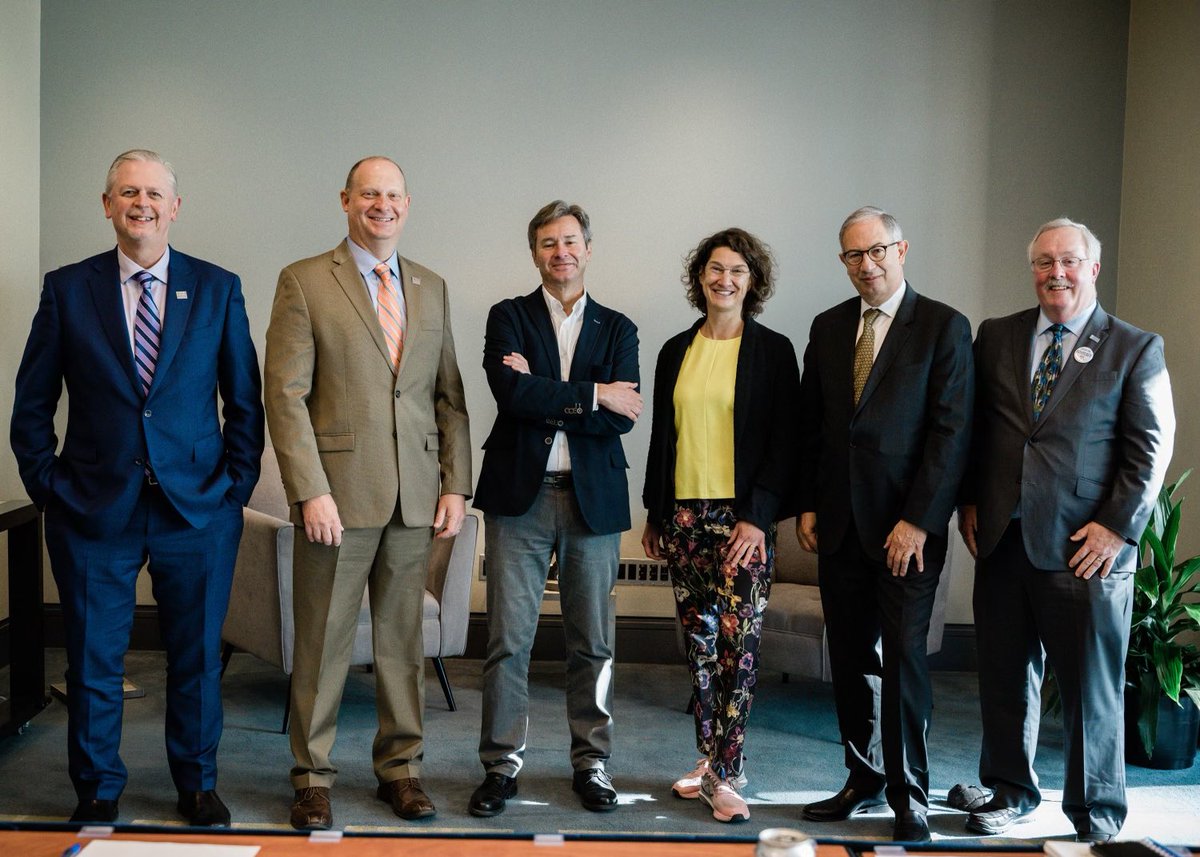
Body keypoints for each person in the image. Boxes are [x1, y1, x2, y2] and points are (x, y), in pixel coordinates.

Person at [10, 149, 264, 826]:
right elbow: (31, 404)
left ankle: (197, 782)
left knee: (197, 661)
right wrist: (49, 488)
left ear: (174, 207)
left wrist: (234, 490)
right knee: (93, 659)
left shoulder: (217, 287)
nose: (141, 203)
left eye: (153, 193)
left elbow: (246, 400)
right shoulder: (68, 289)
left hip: (198, 510)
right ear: (106, 205)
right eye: (128, 192)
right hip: (92, 511)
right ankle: (96, 788)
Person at [264, 156, 472, 829]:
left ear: (407, 204)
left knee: (402, 642)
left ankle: (401, 769)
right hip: (337, 498)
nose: (381, 205)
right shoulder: (303, 281)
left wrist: (455, 485)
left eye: (392, 195)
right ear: (346, 200)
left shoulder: (431, 286)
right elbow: (285, 394)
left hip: (417, 496)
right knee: (323, 639)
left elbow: (450, 397)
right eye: (368, 194)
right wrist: (310, 490)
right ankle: (312, 775)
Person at [955, 218, 1174, 842]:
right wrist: (970, 499)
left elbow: (1150, 449)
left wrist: (1115, 528)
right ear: (1032, 270)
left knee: (1090, 692)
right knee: (1004, 676)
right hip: (1002, 538)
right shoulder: (997, 336)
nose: (1057, 273)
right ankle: (1009, 791)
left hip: (1086, 548)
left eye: (1070, 261)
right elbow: (977, 431)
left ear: (1093, 268)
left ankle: (1096, 814)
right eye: (1045, 262)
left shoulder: (1134, 347)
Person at [795, 206, 973, 842]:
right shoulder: (829, 326)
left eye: (876, 252)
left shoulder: (944, 327)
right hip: (840, 525)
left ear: (902, 250)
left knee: (903, 662)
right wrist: (811, 504)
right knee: (848, 659)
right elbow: (816, 425)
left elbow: (951, 435)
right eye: (852, 256)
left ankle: (910, 793)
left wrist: (919, 522)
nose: (865, 266)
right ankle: (863, 775)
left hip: (907, 533)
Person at [469, 200, 641, 818]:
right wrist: (594, 393)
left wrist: (544, 391)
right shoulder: (507, 317)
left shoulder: (619, 328)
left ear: (588, 249)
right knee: (507, 641)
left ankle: (591, 763)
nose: (560, 252)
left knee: (592, 642)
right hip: (520, 497)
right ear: (535, 251)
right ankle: (500, 765)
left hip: (592, 502)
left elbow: (621, 421)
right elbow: (510, 395)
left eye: (570, 241)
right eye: (547, 242)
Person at [641, 228, 799, 824]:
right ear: (699, 277)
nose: (723, 278)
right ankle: (709, 759)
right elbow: (664, 437)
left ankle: (729, 771)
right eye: (714, 268)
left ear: (752, 281)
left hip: (743, 523)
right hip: (683, 516)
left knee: (739, 648)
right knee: (701, 647)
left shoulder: (773, 351)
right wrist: (656, 513)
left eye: (737, 270)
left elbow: (786, 443)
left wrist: (758, 519)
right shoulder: (674, 350)